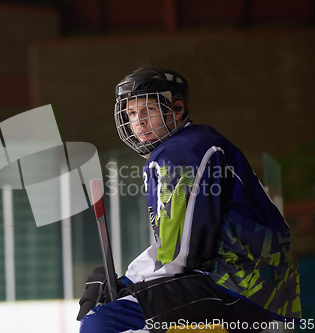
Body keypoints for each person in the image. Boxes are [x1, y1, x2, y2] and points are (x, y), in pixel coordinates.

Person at [77, 66, 301, 333]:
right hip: (254, 292)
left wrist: (127, 283)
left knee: (104, 324)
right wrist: (128, 281)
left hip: (239, 290)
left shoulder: (182, 152)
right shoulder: (191, 145)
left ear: (177, 109)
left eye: (148, 110)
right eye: (132, 113)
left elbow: (178, 255)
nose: (139, 122)